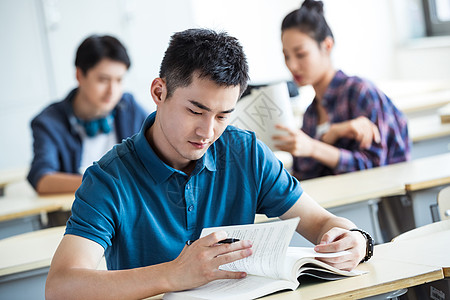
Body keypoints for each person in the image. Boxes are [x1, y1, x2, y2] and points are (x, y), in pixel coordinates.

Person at [46, 28, 370, 300]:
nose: (207, 131)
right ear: (159, 92)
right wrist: (175, 274)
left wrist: (356, 240)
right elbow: (61, 286)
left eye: (223, 116)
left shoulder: (245, 153)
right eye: (195, 111)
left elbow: (321, 223)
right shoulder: (108, 179)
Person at [273, 0, 411, 180]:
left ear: (327, 46)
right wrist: (330, 136)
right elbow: (305, 173)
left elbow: (376, 166)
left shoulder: (361, 92)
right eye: (286, 56)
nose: (292, 65)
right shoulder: (311, 113)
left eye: (301, 54)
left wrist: (315, 147)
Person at [27, 35, 147, 195]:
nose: (113, 91)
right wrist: (106, 181)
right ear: (79, 75)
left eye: (119, 80)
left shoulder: (128, 107)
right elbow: (43, 180)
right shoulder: (49, 122)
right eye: (103, 80)